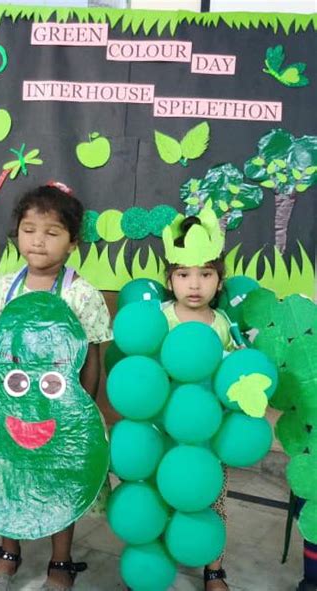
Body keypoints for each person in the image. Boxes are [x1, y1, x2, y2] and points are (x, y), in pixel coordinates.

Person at [0, 182, 112, 591]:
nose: (39, 240)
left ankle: (61, 560)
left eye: (52, 232)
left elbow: (93, 361)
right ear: (17, 232)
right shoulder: (2, 287)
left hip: (59, 410)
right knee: (6, 473)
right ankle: (8, 551)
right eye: (30, 229)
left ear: (72, 243)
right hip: (8, 406)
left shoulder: (81, 294)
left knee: (59, 479)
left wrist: (78, 414)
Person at [163, 214, 234, 591]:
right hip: (164, 431)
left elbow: (233, 377)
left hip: (208, 433)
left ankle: (214, 568)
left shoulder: (222, 324)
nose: (194, 284)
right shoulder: (160, 319)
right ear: (169, 279)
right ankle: (157, 557)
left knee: (213, 498)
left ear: (219, 281)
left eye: (206, 274)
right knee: (161, 494)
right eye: (184, 274)